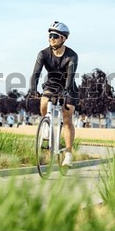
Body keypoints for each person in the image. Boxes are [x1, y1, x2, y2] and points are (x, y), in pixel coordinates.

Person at [28, 21, 79, 167]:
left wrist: (66, 91)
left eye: (55, 36)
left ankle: (68, 154)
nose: (51, 38)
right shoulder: (43, 53)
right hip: (52, 84)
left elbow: (70, 76)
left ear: (63, 38)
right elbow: (36, 73)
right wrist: (33, 88)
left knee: (67, 117)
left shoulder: (72, 56)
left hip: (69, 87)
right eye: (50, 35)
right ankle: (47, 124)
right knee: (43, 102)